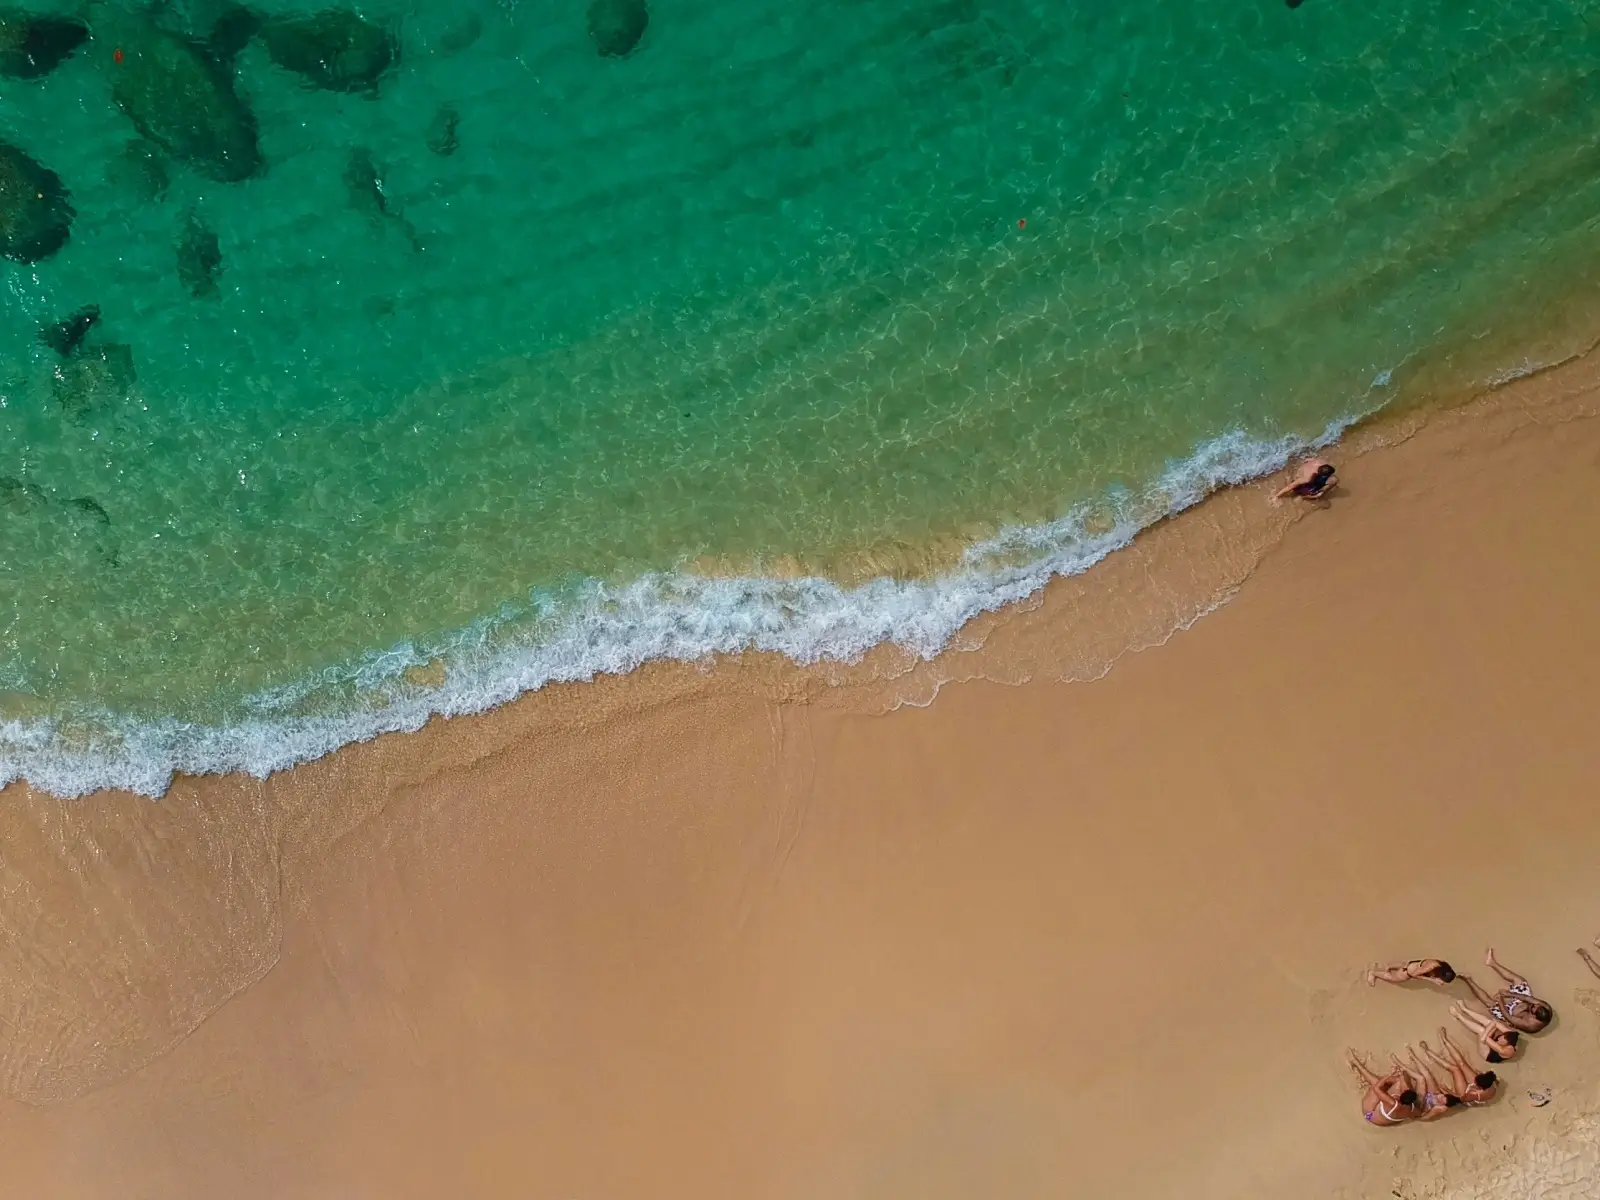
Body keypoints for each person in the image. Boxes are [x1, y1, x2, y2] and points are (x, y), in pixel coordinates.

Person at [1457, 948, 1553, 1033]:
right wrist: (1509, 994)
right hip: (1521, 1003)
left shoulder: (1529, 1025)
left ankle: (1468, 980)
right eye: (1535, 1005)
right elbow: (1526, 998)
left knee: (1489, 1003)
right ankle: (1492, 963)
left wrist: (1500, 1001)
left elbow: (1508, 1017)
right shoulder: (1545, 1007)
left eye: (1533, 1008)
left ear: (1534, 1016)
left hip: (1510, 1013)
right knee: (1520, 981)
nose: (1533, 1005)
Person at [1421, 1031, 1498, 1107]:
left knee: (1455, 1069)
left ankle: (1428, 1051)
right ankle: (1445, 1040)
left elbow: (1461, 1099)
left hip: (1465, 1094)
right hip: (1477, 1087)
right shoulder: (1491, 1080)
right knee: (1462, 1064)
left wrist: (1448, 1091)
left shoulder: (1473, 1094)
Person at [1347, 1048, 1420, 1126]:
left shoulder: (1393, 1103)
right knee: (1396, 1081)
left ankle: (1356, 1063)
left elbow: (1376, 1088)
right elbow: (1418, 1114)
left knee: (1376, 1083)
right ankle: (1389, 1079)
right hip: (1385, 1119)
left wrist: (1389, 1075)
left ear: (1401, 1095)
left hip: (1370, 1116)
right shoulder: (1412, 1109)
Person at [1397, 1047, 1459, 1121]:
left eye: (1441, 1101)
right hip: (1430, 1095)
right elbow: (1459, 1098)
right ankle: (1413, 1057)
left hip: (1421, 1106)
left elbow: (1425, 1118)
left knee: (1421, 1079)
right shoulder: (1440, 1095)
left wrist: (1416, 1118)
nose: (1440, 1098)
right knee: (1427, 1075)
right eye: (1443, 1097)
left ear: (1444, 1105)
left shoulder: (1441, 1108)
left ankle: (1402, 1066)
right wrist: (1446, 1090)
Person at [1449, 1000, 1520, 1063]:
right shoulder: (1511, 1034)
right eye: (1501, 1037)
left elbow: (1484, 1039)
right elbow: (1494, 1022)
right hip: (1488, 1040)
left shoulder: (1504, 1050)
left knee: (1481, 1030)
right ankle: (1464, 1009)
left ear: (1506, 1044)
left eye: (1500, 1040)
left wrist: (1486, 1031)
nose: (1498, 1038)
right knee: (1488, 1022)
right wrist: (1489, 1028)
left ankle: (1458, 1016)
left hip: (1487, 1053)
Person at [1271, 458, 1337, 504]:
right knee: (1319, 495)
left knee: (1334, 480)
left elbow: (1308, 459)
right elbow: (1290, 486)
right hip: (1299, 478)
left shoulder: (1320, 462)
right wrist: (1276, 496)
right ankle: (1303, 497)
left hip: (1303, 470)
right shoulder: (1308, 478)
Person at [1367, 958, 1456, 987]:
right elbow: (1415, 974)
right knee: (1393, 978)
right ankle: (1373, 973)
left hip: (1414, 964)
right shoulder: (1430, 968)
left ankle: (1389, 966)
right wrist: (1432, 980)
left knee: (1404, 965)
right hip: (1408, 972)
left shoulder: (1440, 965)